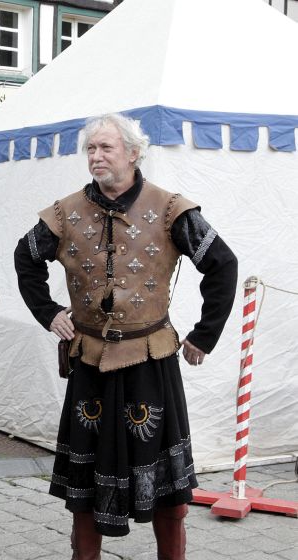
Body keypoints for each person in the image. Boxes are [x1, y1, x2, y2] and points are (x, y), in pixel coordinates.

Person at [13, 113, 238, 560]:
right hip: (89, 362)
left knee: (167, 484)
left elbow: (222, 264)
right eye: (91, 149)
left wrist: (204, 335)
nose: (96, 156)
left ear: (134, 154)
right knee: (84, 482)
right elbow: (26, 258)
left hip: (151, 361)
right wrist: (49, 313)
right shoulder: (65, 212)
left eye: (106, 148)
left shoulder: (171, 209)